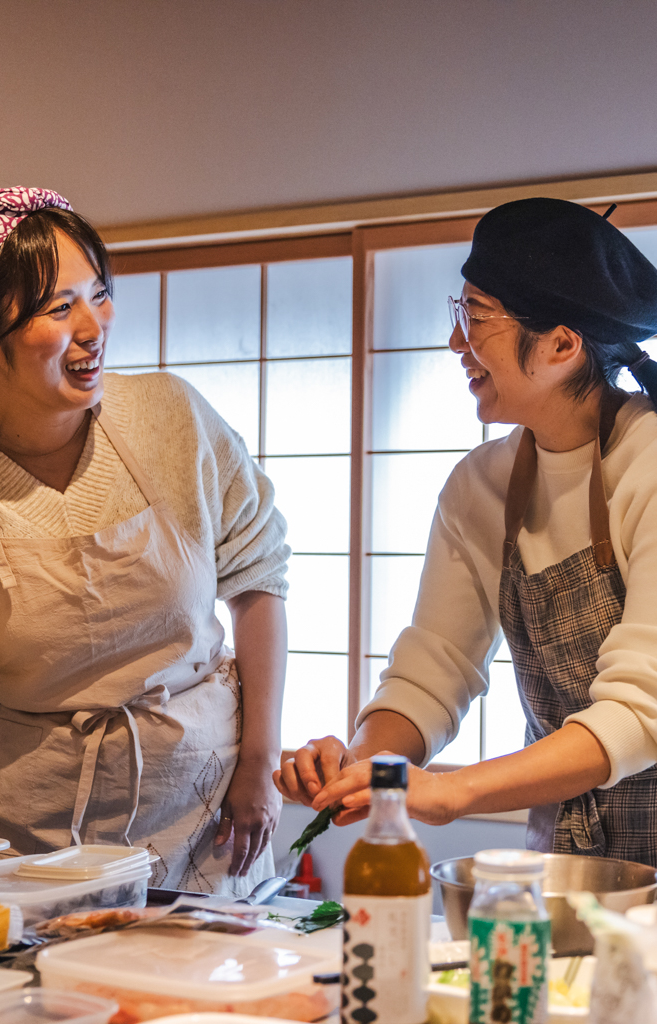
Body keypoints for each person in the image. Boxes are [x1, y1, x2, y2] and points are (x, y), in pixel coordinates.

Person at [276, 197, 657, 864]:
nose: (457, 342)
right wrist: (365, 766)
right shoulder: (480, 487)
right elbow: (434, 669)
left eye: (476, 319)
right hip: (572, 864)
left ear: (562, 345)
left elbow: (641, 709)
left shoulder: (647, 465)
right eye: (460, 313)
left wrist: (452, 795)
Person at [0, 187, 289, 894]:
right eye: (59, 308)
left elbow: (259, 582)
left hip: (202, 817)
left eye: (99, 294)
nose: (94, 326)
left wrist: (259, 765)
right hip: (21, 839)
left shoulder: (172, 419)